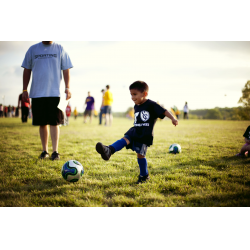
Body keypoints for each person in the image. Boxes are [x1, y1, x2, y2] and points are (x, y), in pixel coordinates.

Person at [95, 81, 178, 184]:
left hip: (144, 134)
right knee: (125, 139)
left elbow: (164, 111)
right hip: (135, 130)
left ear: (144, 94)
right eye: (131, 94)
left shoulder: (151, 104)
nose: (132, 97)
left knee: (140, 156)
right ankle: (109, 150)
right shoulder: (136, 106)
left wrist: (173, 118)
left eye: (135, 94)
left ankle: (144, 175)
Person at [21, 41, 73, 160]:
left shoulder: (60, 48)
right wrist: (24, 89)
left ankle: (55, 152)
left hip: (55, 92)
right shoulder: (33, 49)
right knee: (42, 123)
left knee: (55, 122)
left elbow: (66, 69)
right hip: (38, 93)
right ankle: (45, 151)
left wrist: (67, 87)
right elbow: (27, 70)